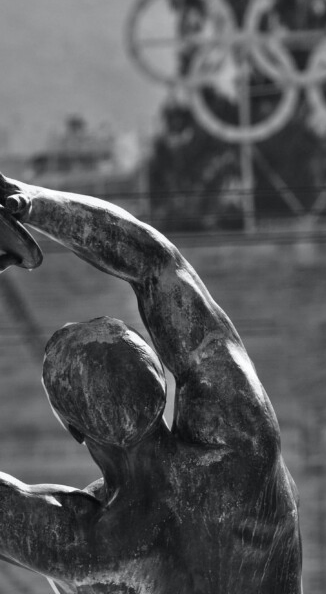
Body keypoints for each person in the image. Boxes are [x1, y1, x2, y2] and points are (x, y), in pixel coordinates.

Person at [0, 175, 303, 594]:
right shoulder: (241, 443)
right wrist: (32, 203)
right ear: (160, 381)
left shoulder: (81, 546)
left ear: (73, 428)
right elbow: (157, 266)